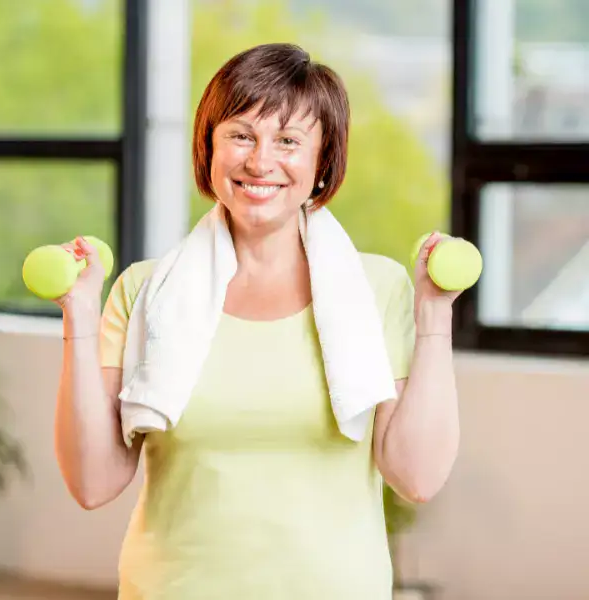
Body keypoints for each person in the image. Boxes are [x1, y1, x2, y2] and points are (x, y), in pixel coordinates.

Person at [54, 42, 460, 599]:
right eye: (240, 134)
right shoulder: (145, 292)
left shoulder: (377, 289)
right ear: (209, 147)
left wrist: (434, 317)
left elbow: (417, 477)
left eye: (288, 141)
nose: (259, 161)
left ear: (322, 163)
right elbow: (93, 483)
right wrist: (78, 314)